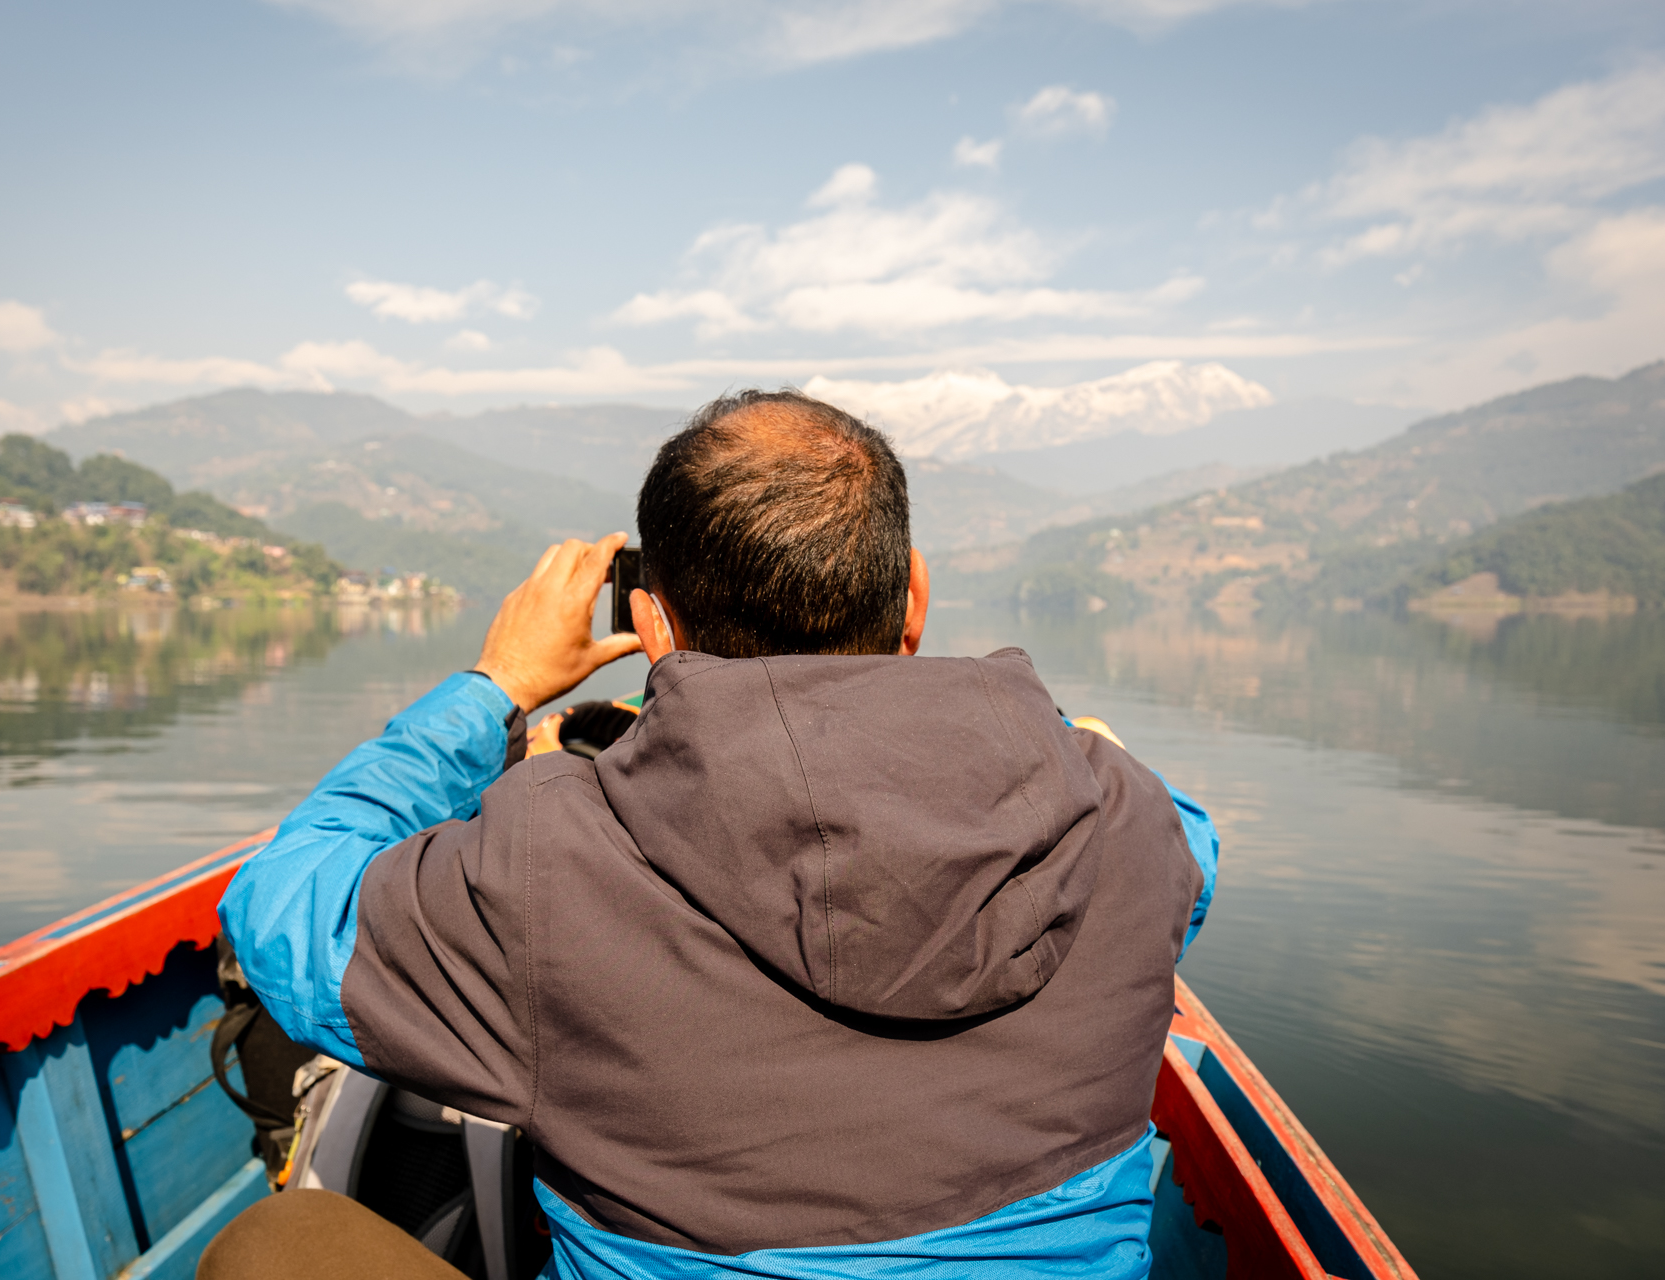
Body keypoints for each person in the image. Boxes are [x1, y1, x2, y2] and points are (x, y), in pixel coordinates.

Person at [206, 390, 1218, 1280]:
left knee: (278, 1245)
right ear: (912, 597)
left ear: (651, 627)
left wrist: (494, 689)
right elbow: (1195, 856)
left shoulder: (549, 867)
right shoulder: (1126, 816)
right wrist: (1065, 745)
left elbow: (279, 902)